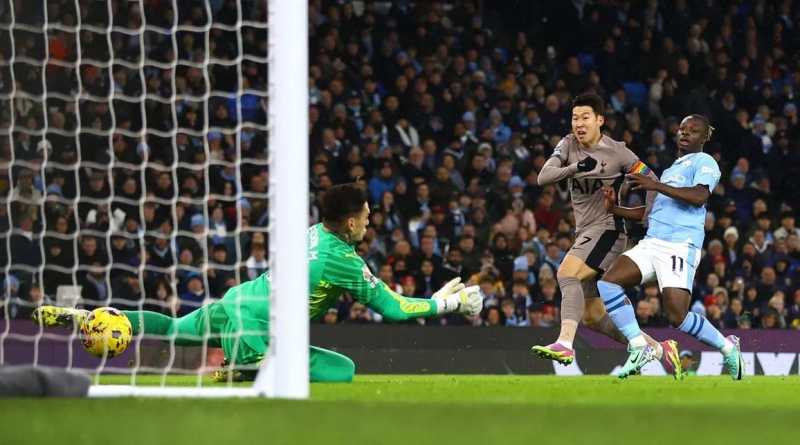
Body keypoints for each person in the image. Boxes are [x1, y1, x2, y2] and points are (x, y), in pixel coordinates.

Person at [32, 183, 483, 383]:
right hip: (261, 325)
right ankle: (244, 368)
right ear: (349, 221)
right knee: (343, 370)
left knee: (172, 328)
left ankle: (90, 316)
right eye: (366, 216)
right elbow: (393, 310)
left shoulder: (314, 233)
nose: (369, 222)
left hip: (237, 300)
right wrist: (451, 305)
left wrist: (434, 296)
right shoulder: (343, 259)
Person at [530, 93, 681, 378]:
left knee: (567, 274)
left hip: (609, 230)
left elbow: (652, 181)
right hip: (585, 232)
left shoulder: (618, 153)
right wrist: (576, 168)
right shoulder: (567, 144)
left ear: (600, 120)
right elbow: (543, 177)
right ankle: (659, 349)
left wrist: (647, 220)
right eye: (575, 118)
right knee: (592, 316)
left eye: (585, 117)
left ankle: (564, 343)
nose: (579, 123)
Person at [598, 114, 744, 380]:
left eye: (693, 131)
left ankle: (727, 346)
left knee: (678, 316)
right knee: (608, 282)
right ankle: (640, 346)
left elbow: (699, 197)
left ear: (704, 137)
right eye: (682, 129)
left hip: (679, 245)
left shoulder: (704, 162)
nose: (685, 133)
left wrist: (655, 185)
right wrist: (615, 209)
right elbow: (652, 212)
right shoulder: (671, 169)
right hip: (652, 242)